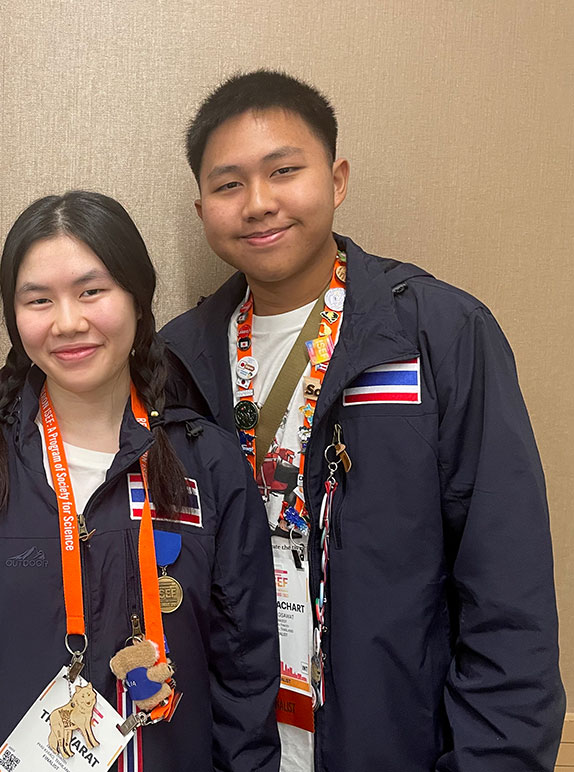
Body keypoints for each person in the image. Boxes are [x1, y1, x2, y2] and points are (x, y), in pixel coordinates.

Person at [160, 69, 565, 771]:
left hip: (392, 745)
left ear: (337, 179)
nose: (259, 204)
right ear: (202, 212)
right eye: (229, 185)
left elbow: (508, 595)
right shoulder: (179, 359)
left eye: (283, 170)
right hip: (234, 743)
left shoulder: (439, 332)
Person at [0, 191, 280, 772]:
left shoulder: (208, 466)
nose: (68, 322)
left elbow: (245, 677)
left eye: (92, 291)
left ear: (138, 300)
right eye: (39, 300)